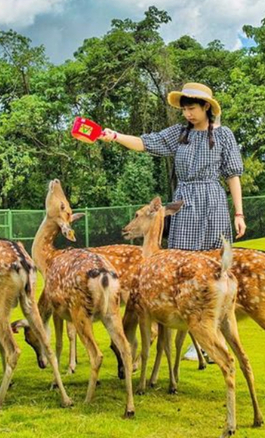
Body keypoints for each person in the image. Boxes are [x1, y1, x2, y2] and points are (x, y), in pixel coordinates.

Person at [99, 82, 246, 363]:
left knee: (214, 268)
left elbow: (233, 176)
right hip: (185, 203)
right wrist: (115, 135)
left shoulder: (224, 135)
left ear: (206, 107)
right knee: (180, 268)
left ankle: (208, 340)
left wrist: (238, 213)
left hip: (213, 202)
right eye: (184, 109)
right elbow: (145, 142)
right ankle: (183, 344)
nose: (187, 114)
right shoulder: (179, 134)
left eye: (191, 108)